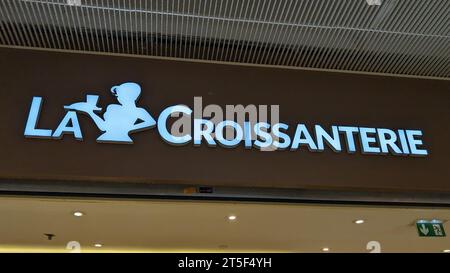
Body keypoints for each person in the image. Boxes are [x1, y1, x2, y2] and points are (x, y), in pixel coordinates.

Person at [66, 82, 156, 143]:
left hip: (122, 138)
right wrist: (90, 112)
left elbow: (151, 122)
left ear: (128, 95)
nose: (117, 97)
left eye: (119, 94)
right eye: (117, 95)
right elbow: (103, 127)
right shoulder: (113, 108)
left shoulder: (139, 111)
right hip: (105, 137)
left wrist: (130, 128)